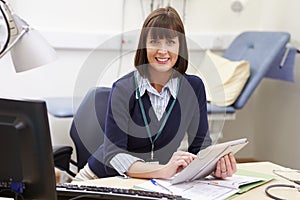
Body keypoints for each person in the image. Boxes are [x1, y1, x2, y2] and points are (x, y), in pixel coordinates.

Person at [75, 6, 236, 181]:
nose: (163, 50)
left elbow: (200, 146)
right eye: (154, 42)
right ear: (144, 46)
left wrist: (213, 167)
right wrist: (162, 170)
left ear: (180, 47)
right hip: (101, 177)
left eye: (171, 42)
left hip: (153, 181)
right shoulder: (123, 88)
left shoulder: (194, 88)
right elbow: (115, 155)